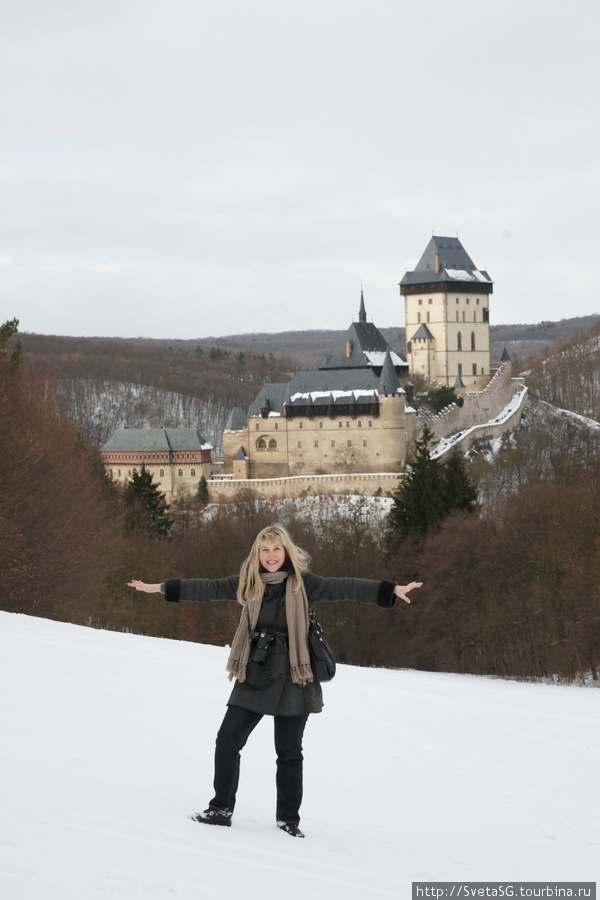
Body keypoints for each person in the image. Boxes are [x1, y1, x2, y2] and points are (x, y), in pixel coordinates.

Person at [128, 522, 422, 838]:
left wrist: (390, 589)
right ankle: (220, 809)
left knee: (289, 752)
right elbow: (207, 588)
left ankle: (288, 820)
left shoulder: (305, 584)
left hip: (296, 675)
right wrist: (162, 588)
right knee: (228, 740)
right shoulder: (247, 583)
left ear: (287, 552)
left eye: (276, 549)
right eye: (265, 549)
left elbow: (346, 586)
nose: (270, 555)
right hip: (255, 671)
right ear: (258, 553)